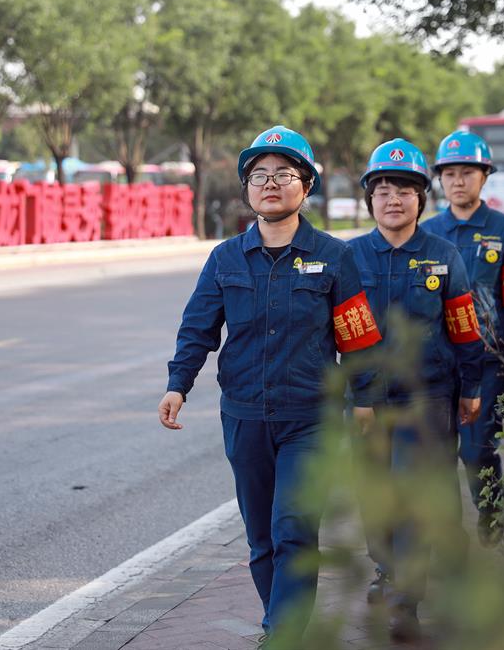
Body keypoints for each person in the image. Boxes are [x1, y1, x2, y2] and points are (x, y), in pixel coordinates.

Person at [158, 125, 381, 643]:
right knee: (262, 539)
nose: (271, 183)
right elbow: (199, 329)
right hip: (244, 417)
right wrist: (178, 384)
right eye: (259, 175)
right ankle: (277, 621)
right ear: (247, 189)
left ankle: (283, 635)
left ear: (306, 186)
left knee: (294, 532)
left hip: (312, 419)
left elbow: (358, 336)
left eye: (284, 174)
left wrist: (366, 398)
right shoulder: (225, 259)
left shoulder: (336, 256)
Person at [347, 138, 485, 641]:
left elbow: (465, 326)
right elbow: (340, 333)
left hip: (428, 398)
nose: (393, 199)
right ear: (370, 200)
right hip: (367, 402)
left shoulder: (444, 257)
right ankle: (386, 569)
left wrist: (471, 385)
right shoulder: (351, 257)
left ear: (421, 199)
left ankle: (407, 597)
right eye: (382, 189)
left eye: (404, 190)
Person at [420, 130, 504, 546]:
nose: (457, 181)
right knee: (437, 456)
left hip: (488, 359)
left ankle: (490, 520)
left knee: (476, 451)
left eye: (467, 172)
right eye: (449, 173)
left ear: (484, 176)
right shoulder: (429, 231)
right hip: (439, 362)